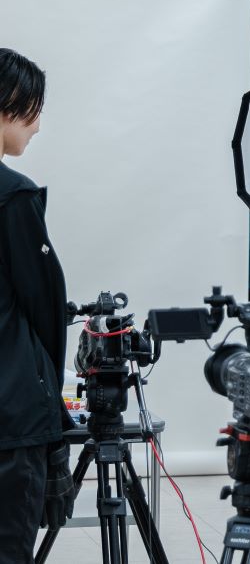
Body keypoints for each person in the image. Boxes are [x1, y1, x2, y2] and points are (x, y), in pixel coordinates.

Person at [0, 48, 75, 562]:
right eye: (32, 111)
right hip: (12, 424)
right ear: (8, 104)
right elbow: (45, 310)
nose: (38, 125)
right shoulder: (14, 196)